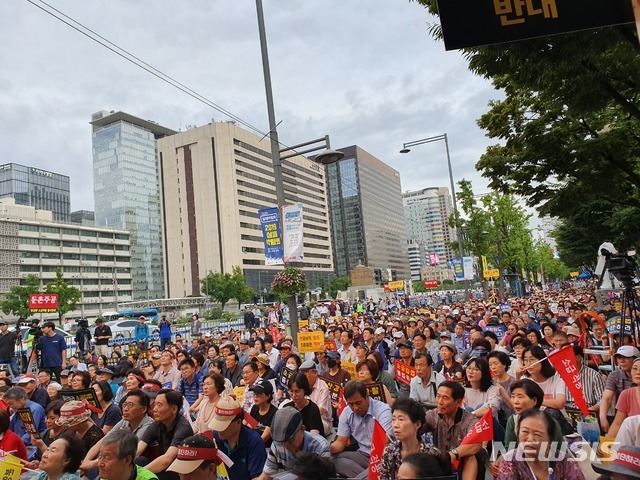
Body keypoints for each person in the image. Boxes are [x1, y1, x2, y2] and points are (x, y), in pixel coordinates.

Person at [330, 380, 393, 478]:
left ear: (367, 396)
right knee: (331, 459)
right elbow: (340, 443)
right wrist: (327, 447)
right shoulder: (346, 413)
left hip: (383, 457)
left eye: (358, 403)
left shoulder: (382, 411)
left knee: (377, 469)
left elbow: (384, 443)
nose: (355, 408)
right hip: (363, 454)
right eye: (351, 404)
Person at [497, 409, 585, 480]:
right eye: (525, 432)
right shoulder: (510, 461)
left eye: (537, 434)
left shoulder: (565, 461)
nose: (530, 439)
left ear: (550, 439)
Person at [80, 390, 154, 472]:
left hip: (141, 462)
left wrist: (94, 463)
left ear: (143, 409)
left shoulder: (149, 425)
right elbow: (105, 440)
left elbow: (135, 451)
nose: (125, 409)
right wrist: (87, 461)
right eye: (125, 405)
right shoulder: (124, 421)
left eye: (130, 405)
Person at [423, 381, 481, 480]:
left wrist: (454, 454)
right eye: (438, 396)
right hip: (437, 460)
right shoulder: (431, 416)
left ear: (458, 402)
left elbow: (476, 444)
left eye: (445, 398)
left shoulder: (470, 420)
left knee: (470, 457)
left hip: (460, 462)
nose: (440, 402)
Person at [257, 408, 330, 480]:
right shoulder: (277, 444)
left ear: (302, 429)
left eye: (290, 439)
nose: (285, 444)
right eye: (282, 441)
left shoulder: (320, 447)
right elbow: (266, 476)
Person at [379, 397, 442, 479]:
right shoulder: (389, 451)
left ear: (417, 424)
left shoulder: (431, 453)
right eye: (393, 419)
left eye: (401, 419)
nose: (395, 425)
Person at [208, 395, 267, 480]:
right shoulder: (216, 437)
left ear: (238, 423)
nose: (219, 429)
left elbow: (257, 477)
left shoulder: (254, 442)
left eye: (224, 425)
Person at [600, 345, 640, 434]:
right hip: (622, 416)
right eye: (619, 358)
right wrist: (602, 417)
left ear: (636, 359)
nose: (621, 361)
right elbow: (607, 398)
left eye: (626, 358)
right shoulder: (615, 375)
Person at [608, 356, 640, 438]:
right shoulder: (626, 394)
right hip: (633, 444)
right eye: (635, 369)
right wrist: (605, 446)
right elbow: (617, 424)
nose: (638, 372)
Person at [249, 379, 278, 447]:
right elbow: (249, 428)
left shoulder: (274, 413)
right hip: (253, 443)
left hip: (266, 447)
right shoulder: (254, 408)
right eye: (254, 393)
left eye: (259, 394)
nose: (255, 396)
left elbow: (264, 438)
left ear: (268, 396)